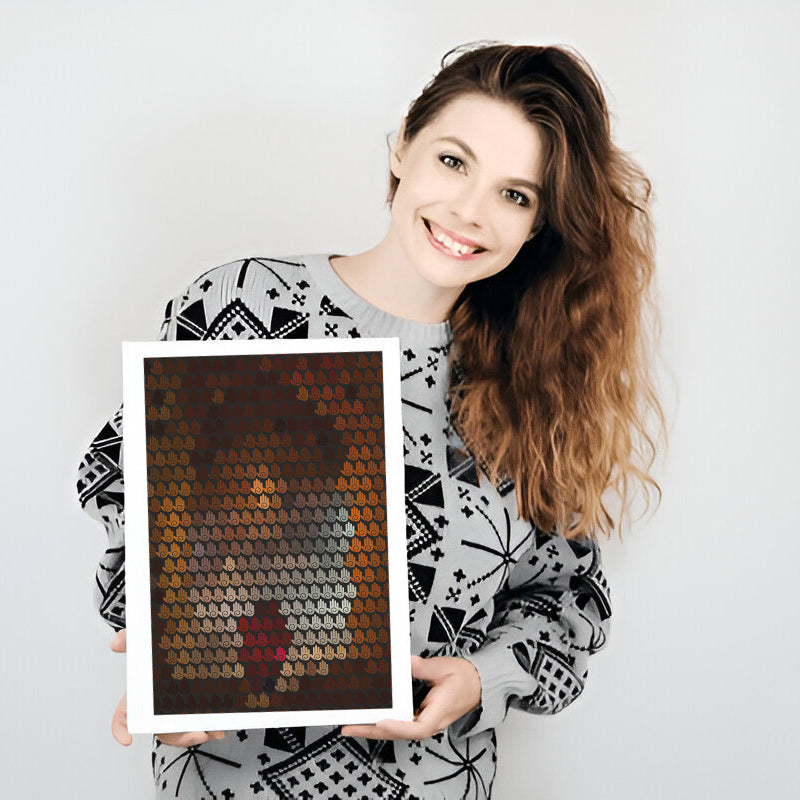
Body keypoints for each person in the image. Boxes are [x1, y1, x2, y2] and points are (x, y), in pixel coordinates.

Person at [76, 41, 662, 799]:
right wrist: (165, 655)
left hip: (430, 781)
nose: (468, 212)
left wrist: (479, 679)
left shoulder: (535, 385)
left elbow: (569, 603)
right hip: (229, 778)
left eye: (515, 196)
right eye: (454, 162)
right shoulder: (244, 306)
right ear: (401, 150)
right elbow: (123, 491)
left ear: (536, 228)